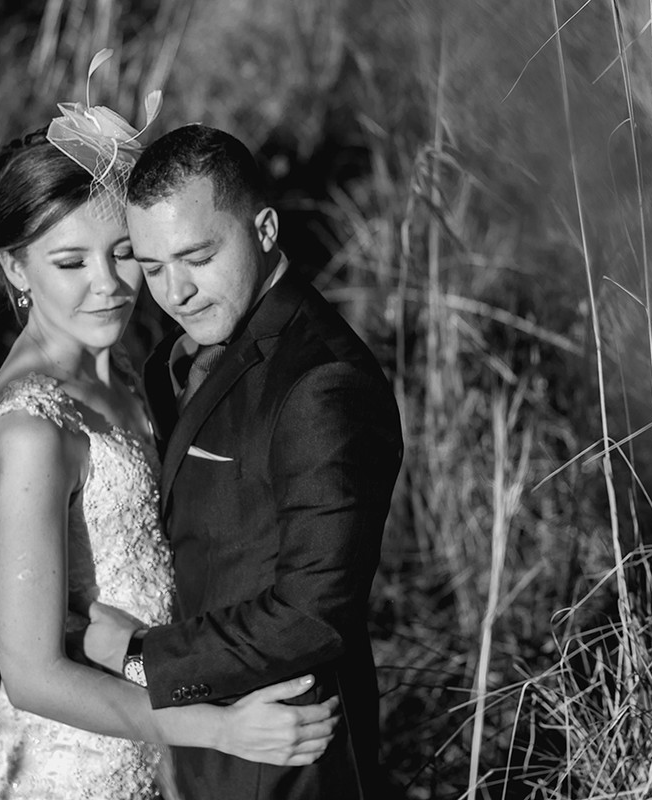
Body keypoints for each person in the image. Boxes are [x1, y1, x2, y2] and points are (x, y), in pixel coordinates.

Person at [0, 116, 340, 800]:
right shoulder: (32, 430)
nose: (108, 285)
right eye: (70, 263)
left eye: (124, 252)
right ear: (15, 267)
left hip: (155, 740)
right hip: (74, 767)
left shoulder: (123, 367)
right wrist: (216, 729)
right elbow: (32, 673)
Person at [85, 124, 403, 799]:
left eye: (198, 255)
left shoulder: (322, 383)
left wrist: (143, 655)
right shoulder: (176, 354)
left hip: (281, 759)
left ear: (263, 229)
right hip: (189, 748)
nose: (177, 292)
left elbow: (313, 610)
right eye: (151, 266)